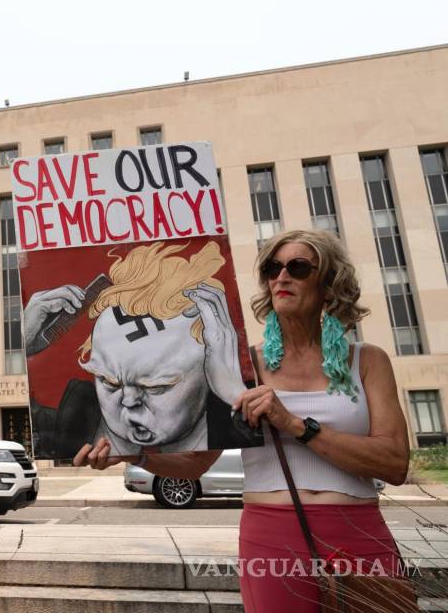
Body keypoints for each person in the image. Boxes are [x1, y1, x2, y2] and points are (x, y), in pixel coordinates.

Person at [74, 229, 410, 613]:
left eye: (298, 267)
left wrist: (296, 425)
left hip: (358, 527)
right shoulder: (240, 366)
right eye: (272, 268)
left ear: (329, 284)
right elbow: (196, 464)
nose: (281, 277)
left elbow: (395, 463)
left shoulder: (368, 360)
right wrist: (132, 455)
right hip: (271, 533)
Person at [23, 241, 260, 457]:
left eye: (156, 386)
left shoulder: (232, 417)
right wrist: (28, 348)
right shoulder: (69, 424)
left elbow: (257, 441)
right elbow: (33, 424)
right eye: (109, 382)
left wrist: (233, 394)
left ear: (211, 369)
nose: (128, 400)